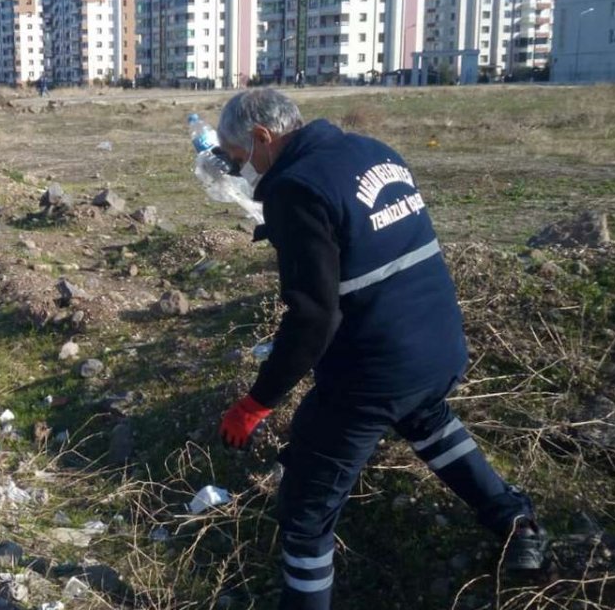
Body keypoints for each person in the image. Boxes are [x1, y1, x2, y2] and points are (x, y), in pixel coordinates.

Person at [210, 89, 546, 610]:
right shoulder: (374, 152)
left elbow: (313, 316)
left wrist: (257, 402)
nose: (240, 169)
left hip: (374, 370)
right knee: (427, 420)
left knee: (305, 513)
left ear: (262, 138)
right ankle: (515, 520)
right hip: (438, 341)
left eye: (238, 157)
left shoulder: (295, 188)